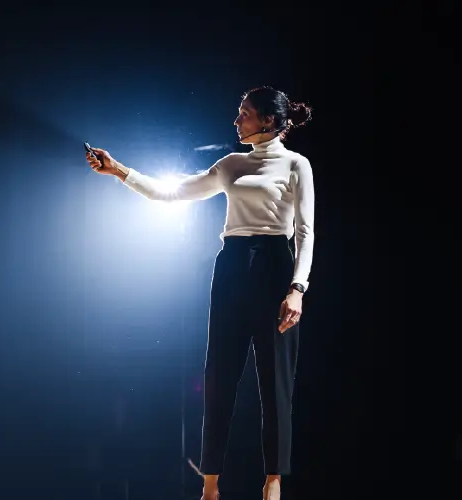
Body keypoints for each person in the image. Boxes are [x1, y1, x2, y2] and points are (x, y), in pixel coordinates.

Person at [85, 86, 315, 500]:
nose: (236, 120)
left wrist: (297, 287)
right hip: (232, 264)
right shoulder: (231, 164)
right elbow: (172, 193)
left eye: (243, 113)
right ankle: (210, 485)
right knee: (219, 374)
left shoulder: (297, 165)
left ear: (267, 120)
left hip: (275, 266)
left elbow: (304, 231)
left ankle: (273, 483)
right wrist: (119, 171)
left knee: (275, 380)